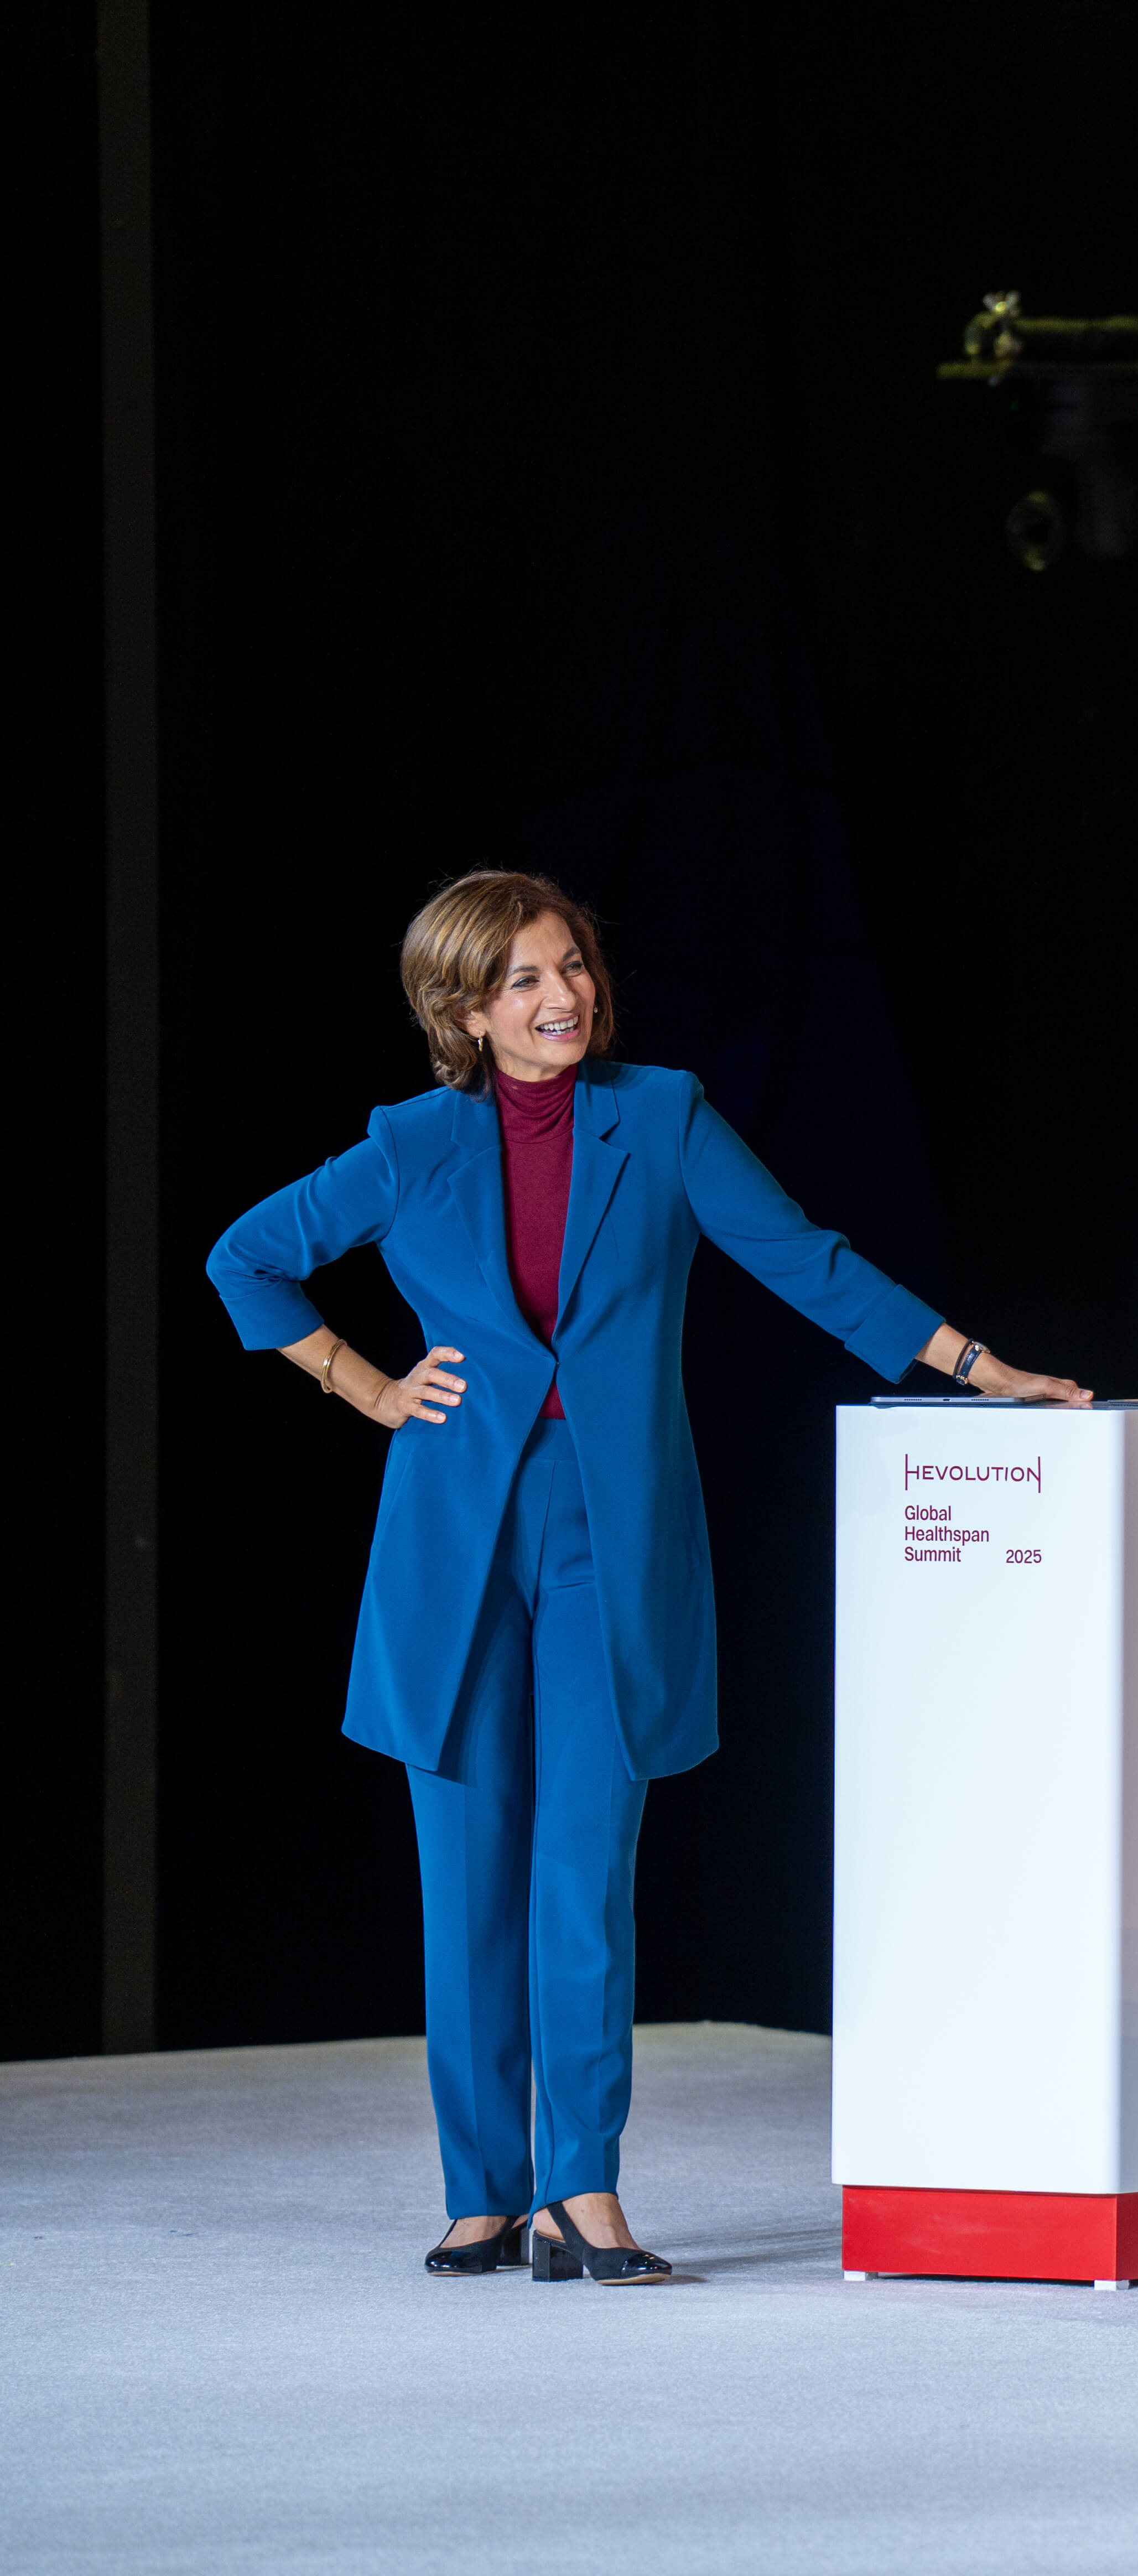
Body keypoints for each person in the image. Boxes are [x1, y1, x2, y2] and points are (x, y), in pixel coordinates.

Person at [206, 873, 1088, 2286]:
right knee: (467, 1881)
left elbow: (807, 1261)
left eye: (572, 966)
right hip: (452, 1537)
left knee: (583, 1872)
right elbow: (245, 1259)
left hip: (610, 1539)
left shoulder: (662, 1116)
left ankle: (582, 2189)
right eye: (525, 980)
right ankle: (481, 2194)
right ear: (465, 1011)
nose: (564, 996)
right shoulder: (412, 1143)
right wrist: (368, 1388)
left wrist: (983, 1370)